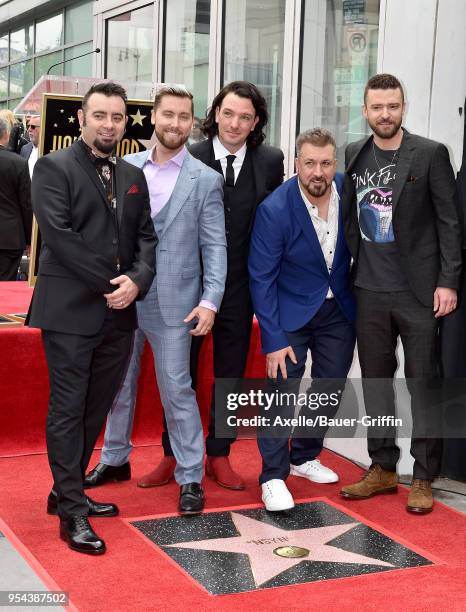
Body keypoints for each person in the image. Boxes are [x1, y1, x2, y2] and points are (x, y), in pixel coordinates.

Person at [26, 82, 157, 554]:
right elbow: (59, 237)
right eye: (99, 115)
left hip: (120, 313)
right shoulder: (52, 167)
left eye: (116, 117)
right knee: (68, 407)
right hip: (70, 311)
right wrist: (112, 286)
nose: (108, 124)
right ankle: (72, 512)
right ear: (81, 120)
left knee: (96, 406)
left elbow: (146, 237)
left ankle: (68, 490)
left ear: (125, 123)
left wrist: (137, 281)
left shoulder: (130, 172)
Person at [85, 85, 227, 515]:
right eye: (168, 115)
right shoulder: (122, 168)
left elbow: (215, 247)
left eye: (184, 117)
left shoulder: (206, 181)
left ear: (193, 122)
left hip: (177, 303)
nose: (175, 124)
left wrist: (211, 301)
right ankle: (114, 459)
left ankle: (189, 477)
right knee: (118, 386)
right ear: (152, 118)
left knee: (176, 389)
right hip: (122, 296)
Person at [138, 80, 285, 490]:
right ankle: (173, 453)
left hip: (240, 288)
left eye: (245, 117)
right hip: (185, 288)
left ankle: (219, 453)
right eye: (228, 113)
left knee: (230, 374)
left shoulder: (270, 160)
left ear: (256, 122)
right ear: (215, 113)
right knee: (177, 373)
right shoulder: (189, 155)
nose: (235, 124)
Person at [340, 73, 462, 514]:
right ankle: (383, 466)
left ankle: (424, 475)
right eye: (377, 107)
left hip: (418, 292)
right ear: (366, 110)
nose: (384, 114)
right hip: (368, 289)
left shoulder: (430, 153)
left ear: (403, 107)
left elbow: (449, 222)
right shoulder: (354, 153)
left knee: (422, 384)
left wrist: (448, 281)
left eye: (392, 106)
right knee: (377, 384)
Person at [248, 128, 356, 511]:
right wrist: (273, 338)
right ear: (297, 164)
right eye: (309, 163)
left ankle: (304, 456)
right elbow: (260, 276)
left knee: (330, 385)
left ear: (335, 164)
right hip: (288, 313)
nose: (318, 171)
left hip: (338, 310)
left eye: (326, 163)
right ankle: (273, 476)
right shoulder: (275, 209)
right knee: (282, 393)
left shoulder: (348, 191)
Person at [0, 117, 32, 280]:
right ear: (6, 134)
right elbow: (26, 204)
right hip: (10, 238)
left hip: (9, 238)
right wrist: (29, 239)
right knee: (5, 289)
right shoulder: (18, 163)